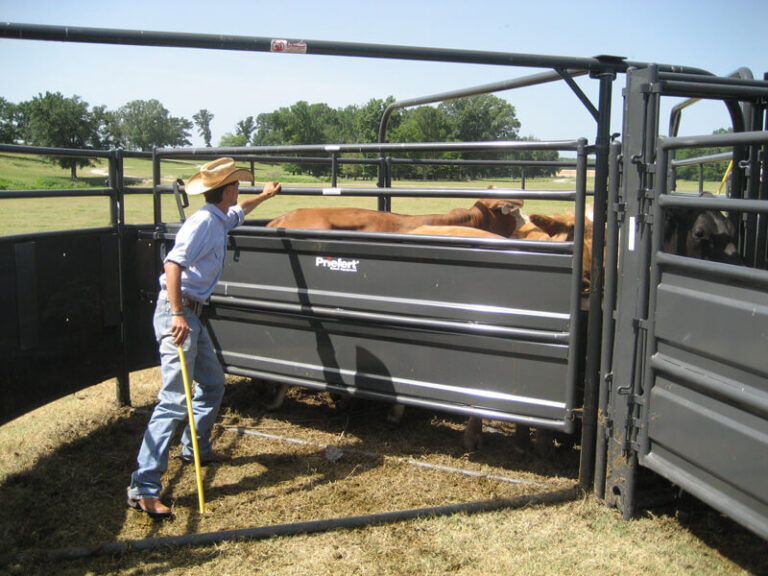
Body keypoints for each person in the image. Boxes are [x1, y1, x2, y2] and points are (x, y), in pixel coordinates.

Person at [127, 157, 280, 518]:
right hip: (178, 314)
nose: (239, 190)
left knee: (212, 383)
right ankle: (144, 486)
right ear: (226, 189)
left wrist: (265, 196)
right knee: (174, 400)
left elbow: (239, 212)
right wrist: (178, 314)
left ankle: (196, 449)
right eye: (237, 186)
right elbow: (172, 264)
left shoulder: (218, 217)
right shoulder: (202, 225)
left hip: (192, 315)